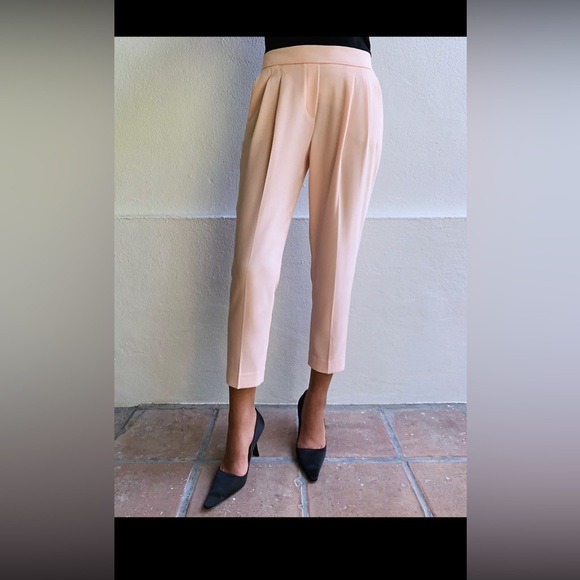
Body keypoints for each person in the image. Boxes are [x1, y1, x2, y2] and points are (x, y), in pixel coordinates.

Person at [203, 37, 384, 509]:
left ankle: (315, 406)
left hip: (352, 76)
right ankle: (242, 423)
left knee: (337, 263)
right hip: (282, 74)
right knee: (252, 265)